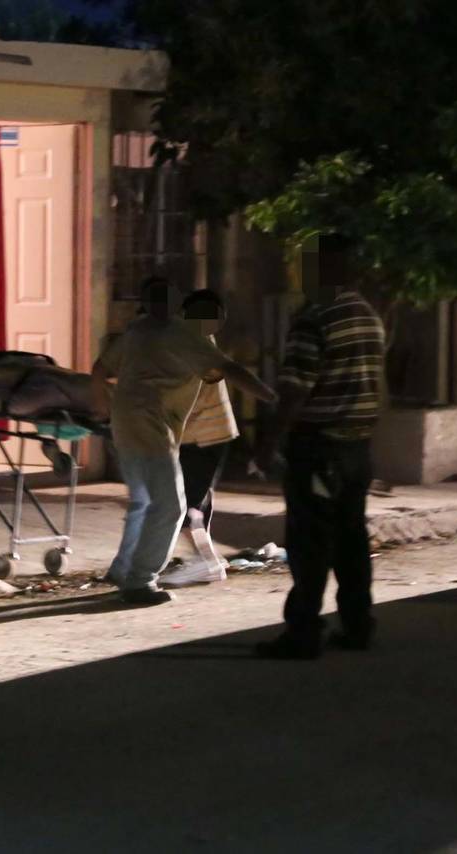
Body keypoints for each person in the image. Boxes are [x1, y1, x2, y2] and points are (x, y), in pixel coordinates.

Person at [92, 277, 276, 605]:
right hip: (152, 429)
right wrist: (274, 398)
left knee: (146, 503)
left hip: (127, 427)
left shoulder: (137, 330)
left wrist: (107, 408)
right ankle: (139, 581)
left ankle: (128, 572)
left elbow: (99, 369)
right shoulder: (184, 333)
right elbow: (231, 370)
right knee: (170, 506)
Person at [253, 236, 386, 660]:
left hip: (319, 449)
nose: (301, 274)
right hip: (357, 448)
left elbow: (295, 389)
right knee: (351, 539)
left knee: (309, 542)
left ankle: (304, 632)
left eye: (307, 265)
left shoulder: (315, 318)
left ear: (326, 269)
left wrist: (268, 442)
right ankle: (358, 624)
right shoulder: (366, 315)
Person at [160, 289, 240, 588]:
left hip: (200, 436)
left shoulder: (189, 343)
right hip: (214, 433)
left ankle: (205, 562)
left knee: (183, 503)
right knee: (197, 499)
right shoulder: (202, 338)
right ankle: (205, 559)